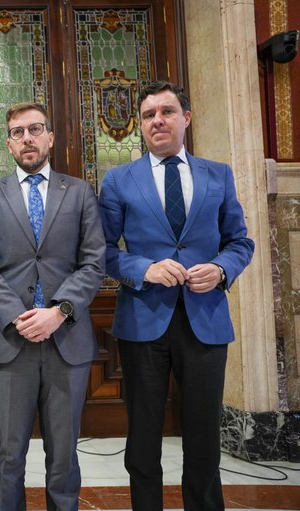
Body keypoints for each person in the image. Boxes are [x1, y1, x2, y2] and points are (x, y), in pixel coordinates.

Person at [98, 80, 255, 510]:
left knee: (203, 436)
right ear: (140, 125)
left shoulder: (218, 174)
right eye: (148, 115)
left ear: (185, 118)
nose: (158, 121)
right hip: (143, 320)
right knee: (143, 436)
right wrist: (143, 268)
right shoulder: (119, 180)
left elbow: (240, 242)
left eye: (166, 112)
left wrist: (221, 269)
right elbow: (102, 252)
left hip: (206, 320)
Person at [0, 102, 105, 510]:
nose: (27, 138)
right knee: (9, 455)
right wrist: (19, 317)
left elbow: (93, 261)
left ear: (50, 137)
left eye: (35, 129)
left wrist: (59, 311)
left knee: (63, 455)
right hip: (11, 343)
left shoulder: (79, 192)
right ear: (9, 144)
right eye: (17, 132)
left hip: (67, 341)